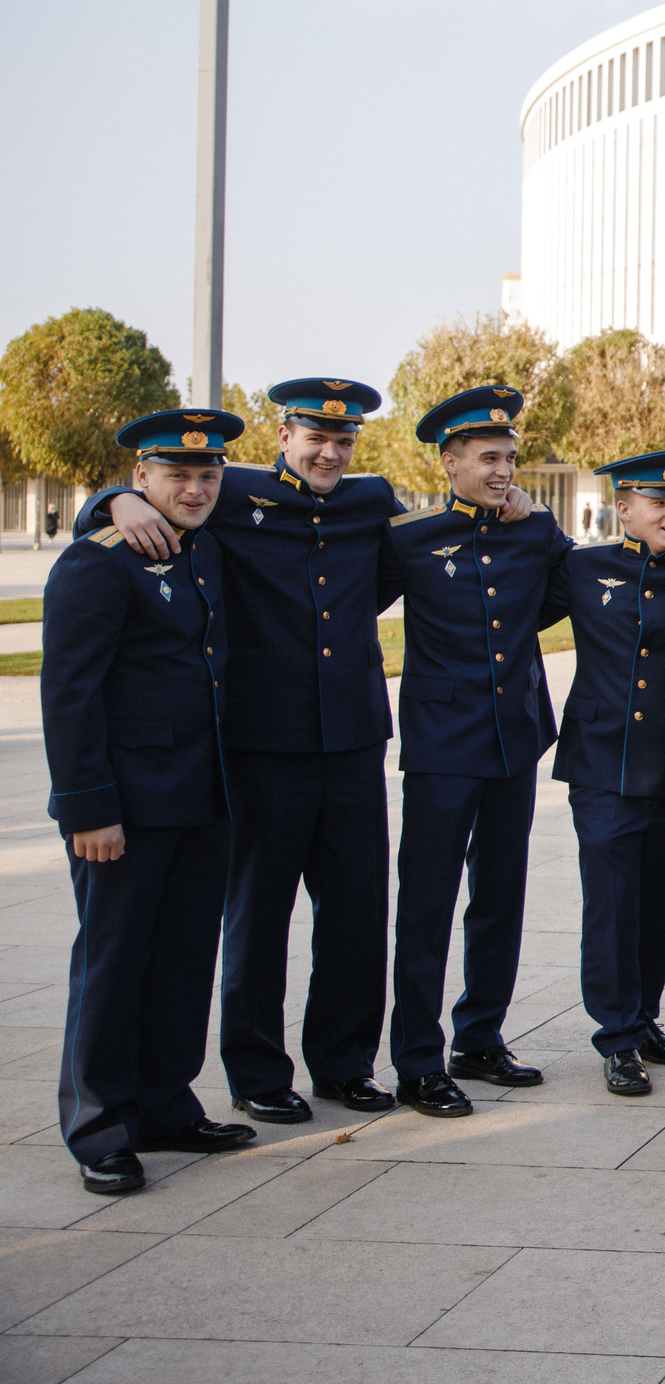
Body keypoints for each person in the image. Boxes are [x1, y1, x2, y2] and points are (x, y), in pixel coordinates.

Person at [74, 378, 509, 1123]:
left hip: (351, 737)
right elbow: (156, 487)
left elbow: (432, 535)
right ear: (284, 437)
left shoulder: (372, 500)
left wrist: (511, 502)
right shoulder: (233, 491)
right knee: (258, 913)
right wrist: (112, 499)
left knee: (355, 911)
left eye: (344, 441)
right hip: (261, 740)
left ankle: (342, 1062)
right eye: (318, 438)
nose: (331, 452)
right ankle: (256, 1070)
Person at [45, 408, 253, 1194]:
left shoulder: (203, 549)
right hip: (125, 807)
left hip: (203, 795)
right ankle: (98, 1126)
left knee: (181, 960)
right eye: (176, 474)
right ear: (141, 477)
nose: (196, 487)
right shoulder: (100, 561)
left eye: (208, 474)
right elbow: (70, 696)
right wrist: (87, 808)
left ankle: (165, 1104)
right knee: (111, 963)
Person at [379, 385, 575, 1117]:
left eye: (511, 458)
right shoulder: (408, 537)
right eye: (488, 457)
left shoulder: (538, 530)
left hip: (512, 738)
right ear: (449, 460)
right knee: (426, 903)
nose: (502, 470)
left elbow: (564, 592)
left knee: (500, 897)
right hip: (440, 744)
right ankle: (416, 1059)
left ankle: (480, 1036)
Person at [547, 449, 665, 1097]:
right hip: (602, 762)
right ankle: (616, 1038)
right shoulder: (583, 567)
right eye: (657, 502)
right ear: (624, 508)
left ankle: (642, 1019)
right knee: (612, 906)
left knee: (660, 903)